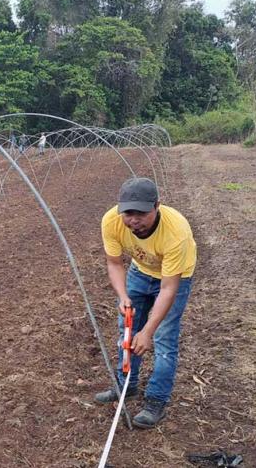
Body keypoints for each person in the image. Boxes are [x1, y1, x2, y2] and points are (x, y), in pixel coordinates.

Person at [94, 177, 197, 429]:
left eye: (141, 213)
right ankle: (126, 385)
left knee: (163, 337)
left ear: (157, 206)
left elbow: (168, 288)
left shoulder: (176, 231)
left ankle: (156, 400)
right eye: (128, 213)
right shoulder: (111, 221)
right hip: (139, 272)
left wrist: (147, 331)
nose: (133, 220)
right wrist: (124, 296)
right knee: (127, 329)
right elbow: (114, 263)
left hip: (175, 276)